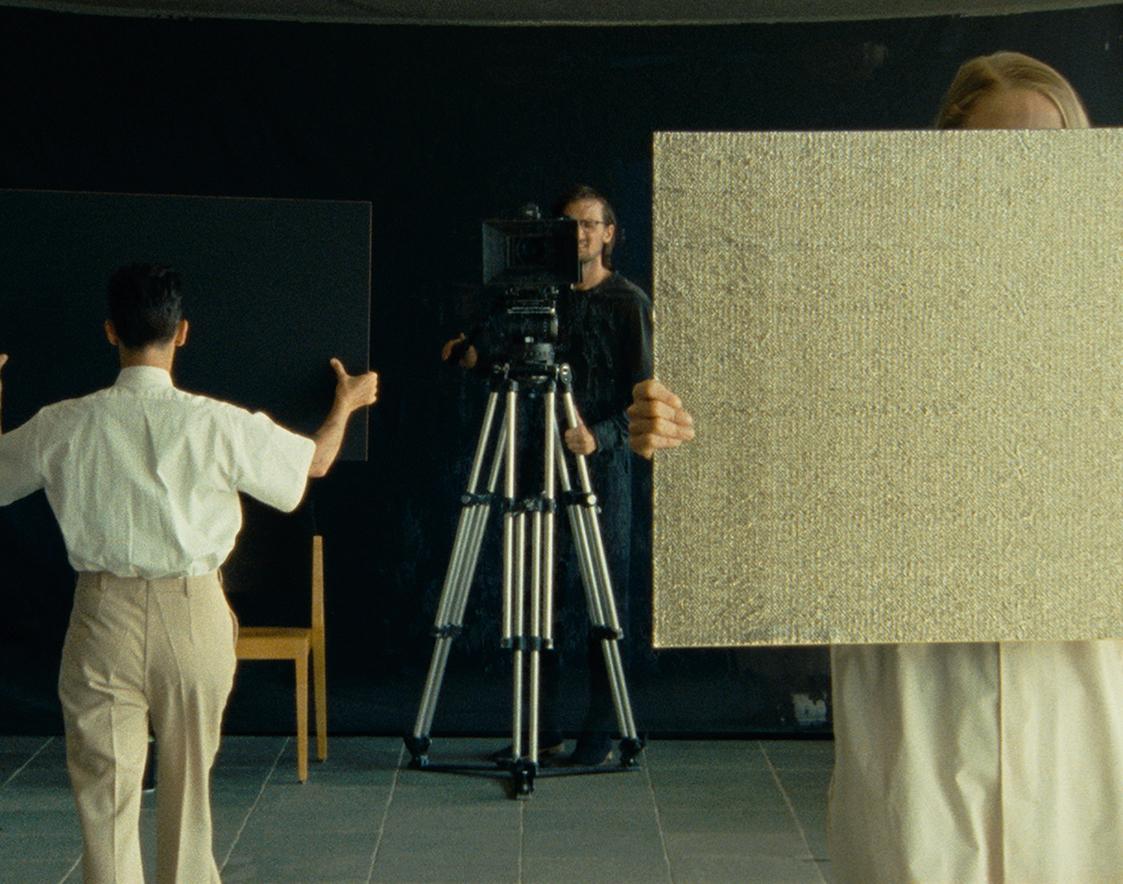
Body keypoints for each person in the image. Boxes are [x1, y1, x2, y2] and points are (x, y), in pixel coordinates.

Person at [630, 53, 1122, 883]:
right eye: (991, 157)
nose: (1019, 179)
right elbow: (769, 446)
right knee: (920, 852)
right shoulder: (855, 300)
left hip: (1080, 669)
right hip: (914, 666)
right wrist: (682, 433)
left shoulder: (1109, 303)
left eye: (1046, 155)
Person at [0, 264, 379, 883]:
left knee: (105, 801)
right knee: (189, 795)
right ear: (181, 333)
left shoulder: (62, 423)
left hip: (101, 617)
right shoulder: (217, 423)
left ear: (109, 331)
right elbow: (312, 465)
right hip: (193, 614)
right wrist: (345, 404)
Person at [443, 185, 653, 765]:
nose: (578, 235)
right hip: (536, 463)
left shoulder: (629, 303)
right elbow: (519, 362)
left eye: (589, 225)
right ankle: (539, 729)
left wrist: (600, 436)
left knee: (602, 604)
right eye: (569, 225)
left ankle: (601, 732)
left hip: (600, 473)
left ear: (609, 234)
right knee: (537, 598)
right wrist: (476, 359)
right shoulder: (545, 296)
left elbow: (647, 396)